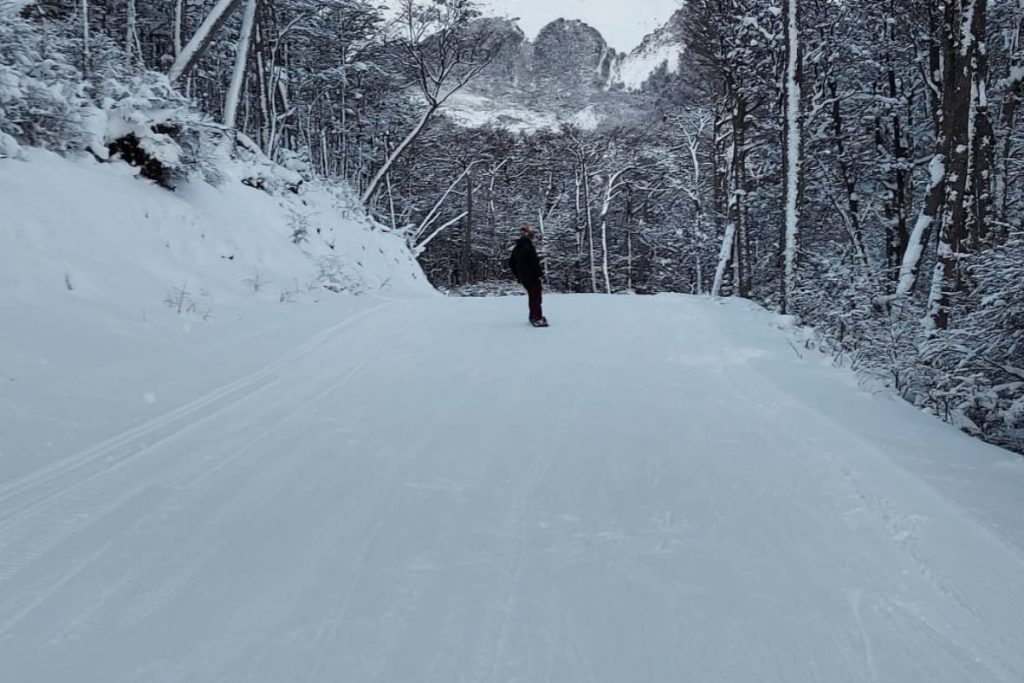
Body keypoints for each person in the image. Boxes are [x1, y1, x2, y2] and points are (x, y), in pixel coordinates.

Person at [508, 225, 548, 327]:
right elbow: (534, 263)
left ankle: (533, 316)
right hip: (532, 277)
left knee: (533, 297)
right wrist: (540, 274)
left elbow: (511, 263)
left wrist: (519, 275)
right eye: (532, 234)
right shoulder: (528, 247)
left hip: (524, 278)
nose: (533, 237)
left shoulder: (517, 247)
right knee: (536, 298)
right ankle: (537, 319)